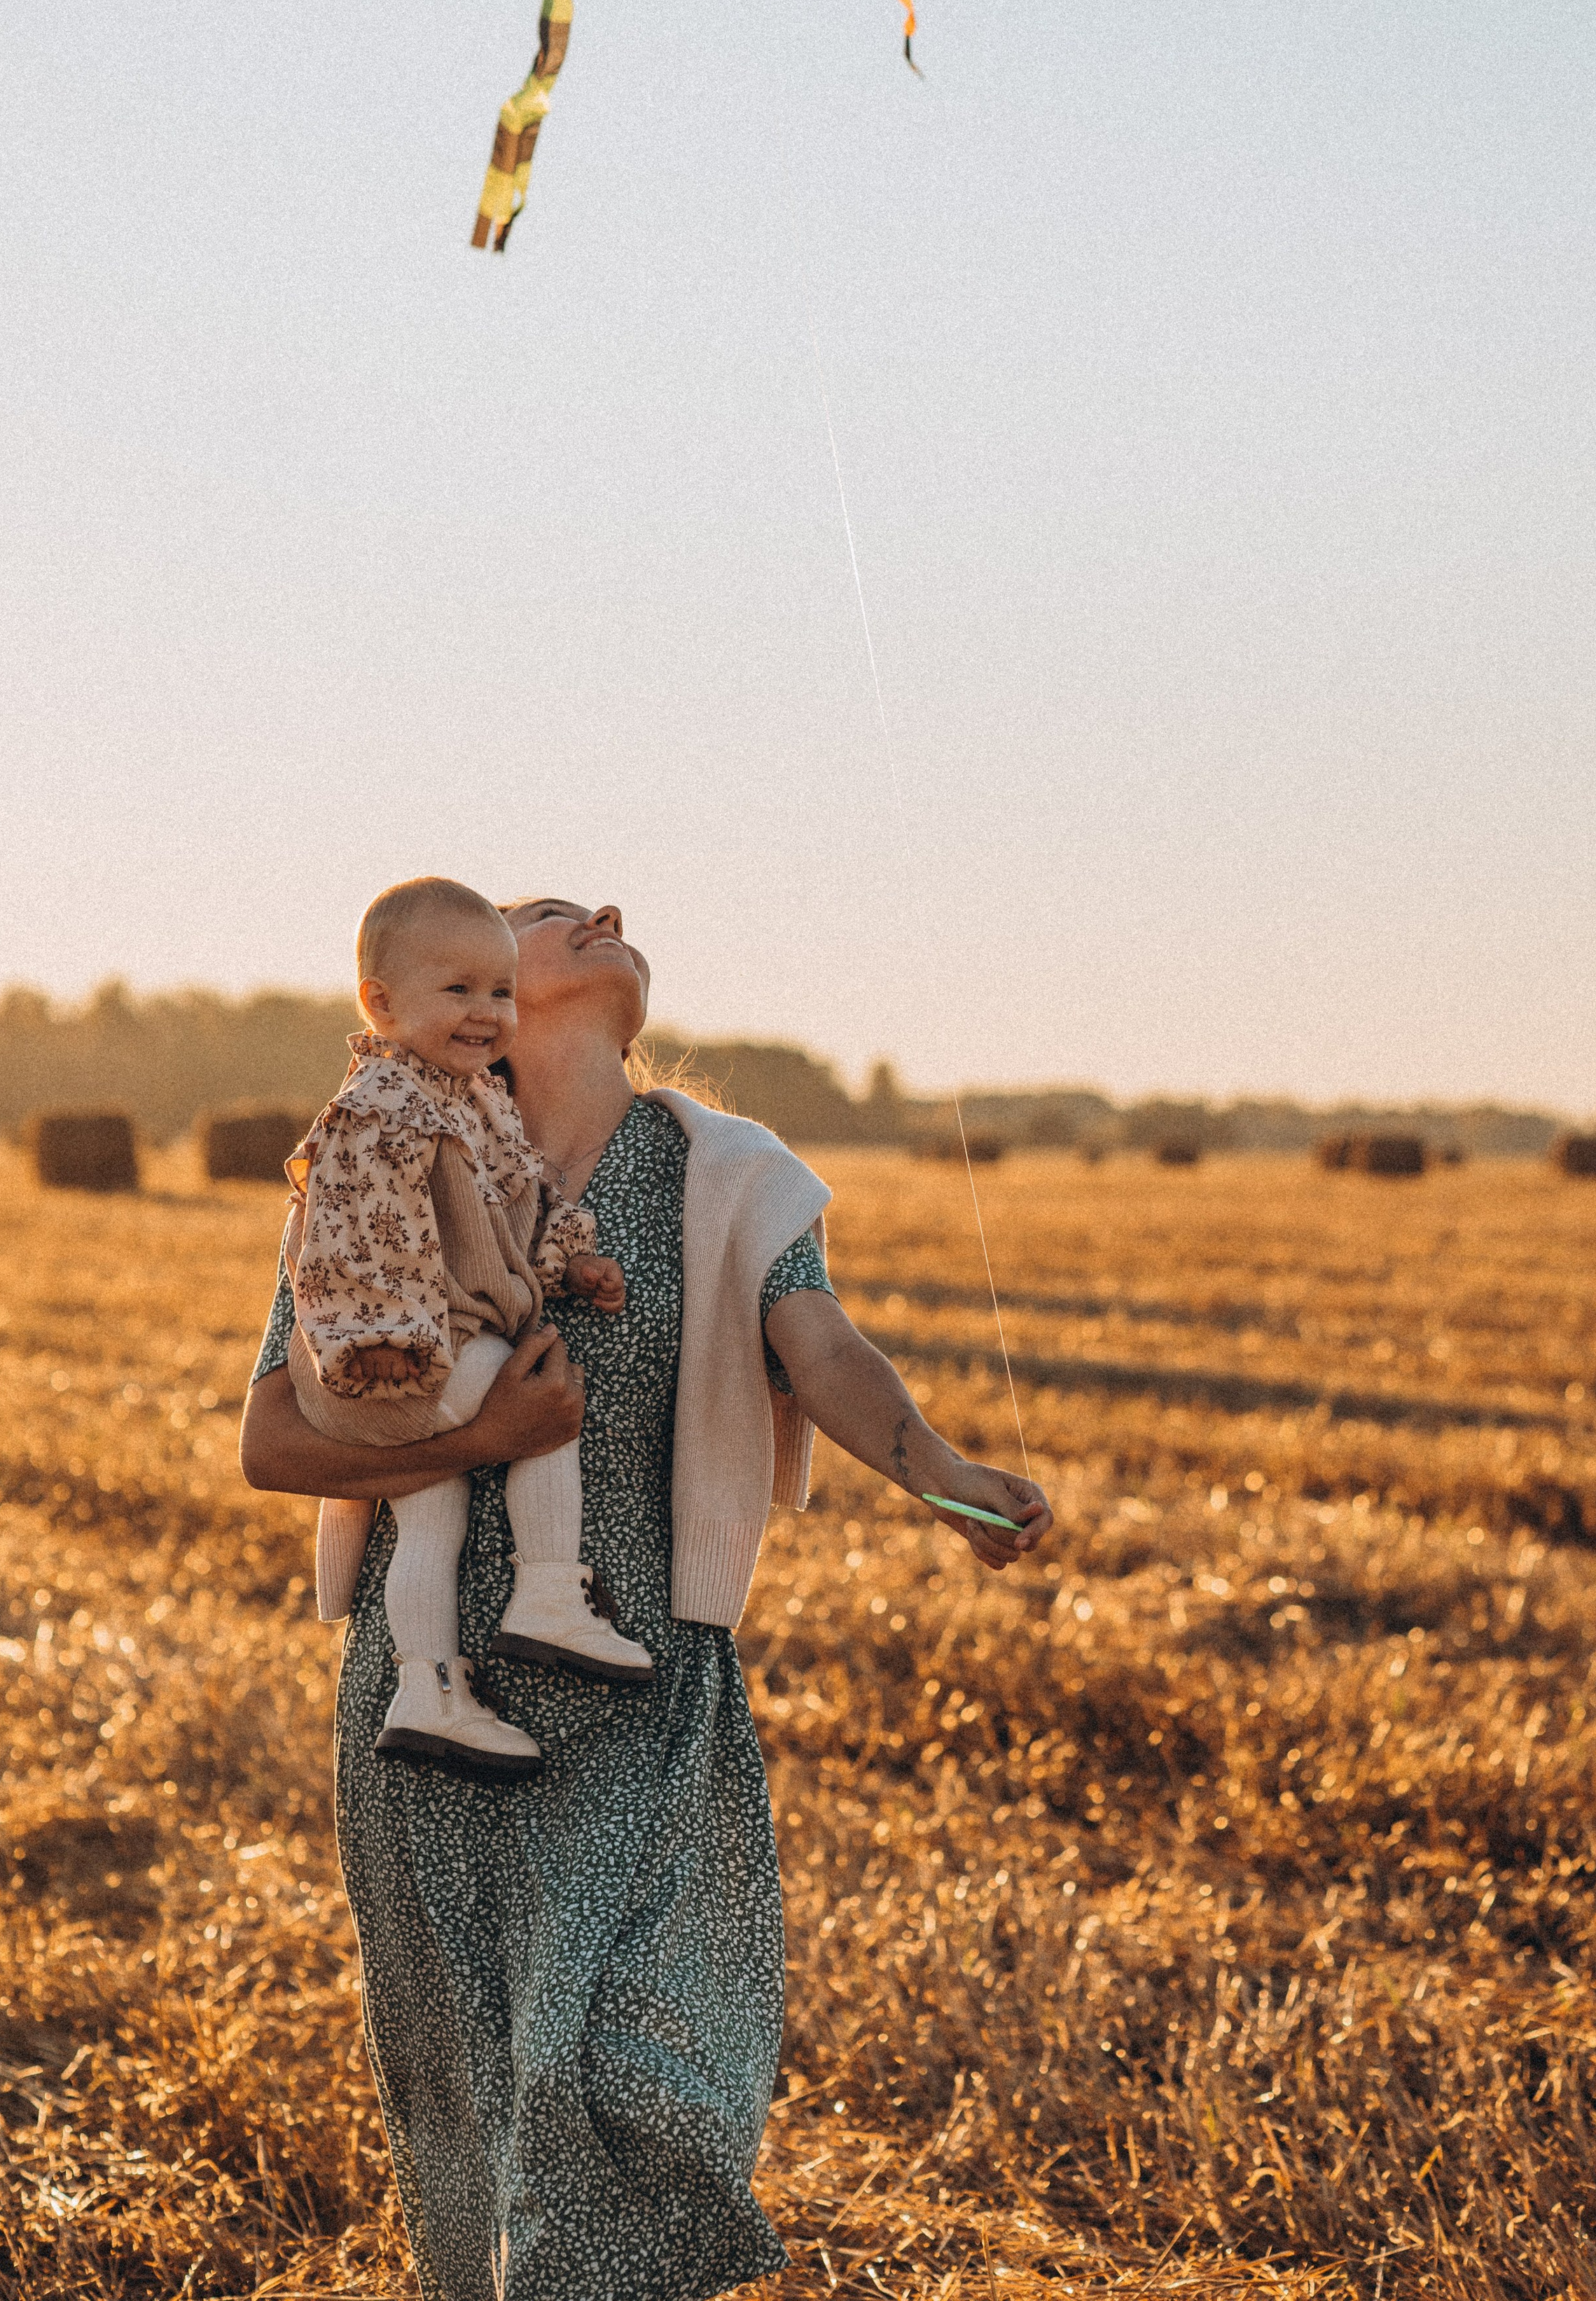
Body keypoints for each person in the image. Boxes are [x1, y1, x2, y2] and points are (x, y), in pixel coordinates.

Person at [240, 895, 1053, 2301]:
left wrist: (939, 1471)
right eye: (556, 915)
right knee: (479, 2098)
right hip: (433, 1703)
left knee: (646, 2077)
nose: (607, 914)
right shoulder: (381, 1166)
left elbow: (822, 1342)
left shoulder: (725, 1172)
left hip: (639, 1687)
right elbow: (274, 1440)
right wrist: (476, 1446)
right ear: (469, 990)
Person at [284, 876, 648, 1784]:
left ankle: (427, 1691)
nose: (487, 1012)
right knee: (546, 1411)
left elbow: (515, 1204)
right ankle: (549, 1594)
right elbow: (346, 1237)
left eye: (498, 992)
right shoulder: (381, 1104)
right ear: (381, 1001)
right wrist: (388, 1336)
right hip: (409, 1345)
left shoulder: (468, 1098)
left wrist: (569, 1260)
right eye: (459, 992)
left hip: (402, 1356)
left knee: (431, 1524)